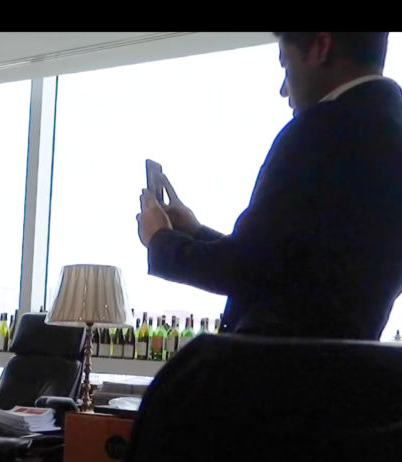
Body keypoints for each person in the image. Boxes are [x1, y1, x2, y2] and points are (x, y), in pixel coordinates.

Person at [137, 32, 402, 340]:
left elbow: (244, 270)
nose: (283, 89)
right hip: (344, 359)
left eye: (285, 65)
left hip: (275, 360)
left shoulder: (318, 132)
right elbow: (285, 266)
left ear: (320, 46)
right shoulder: (389, 130)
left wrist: (160, 239)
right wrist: (195, 232)